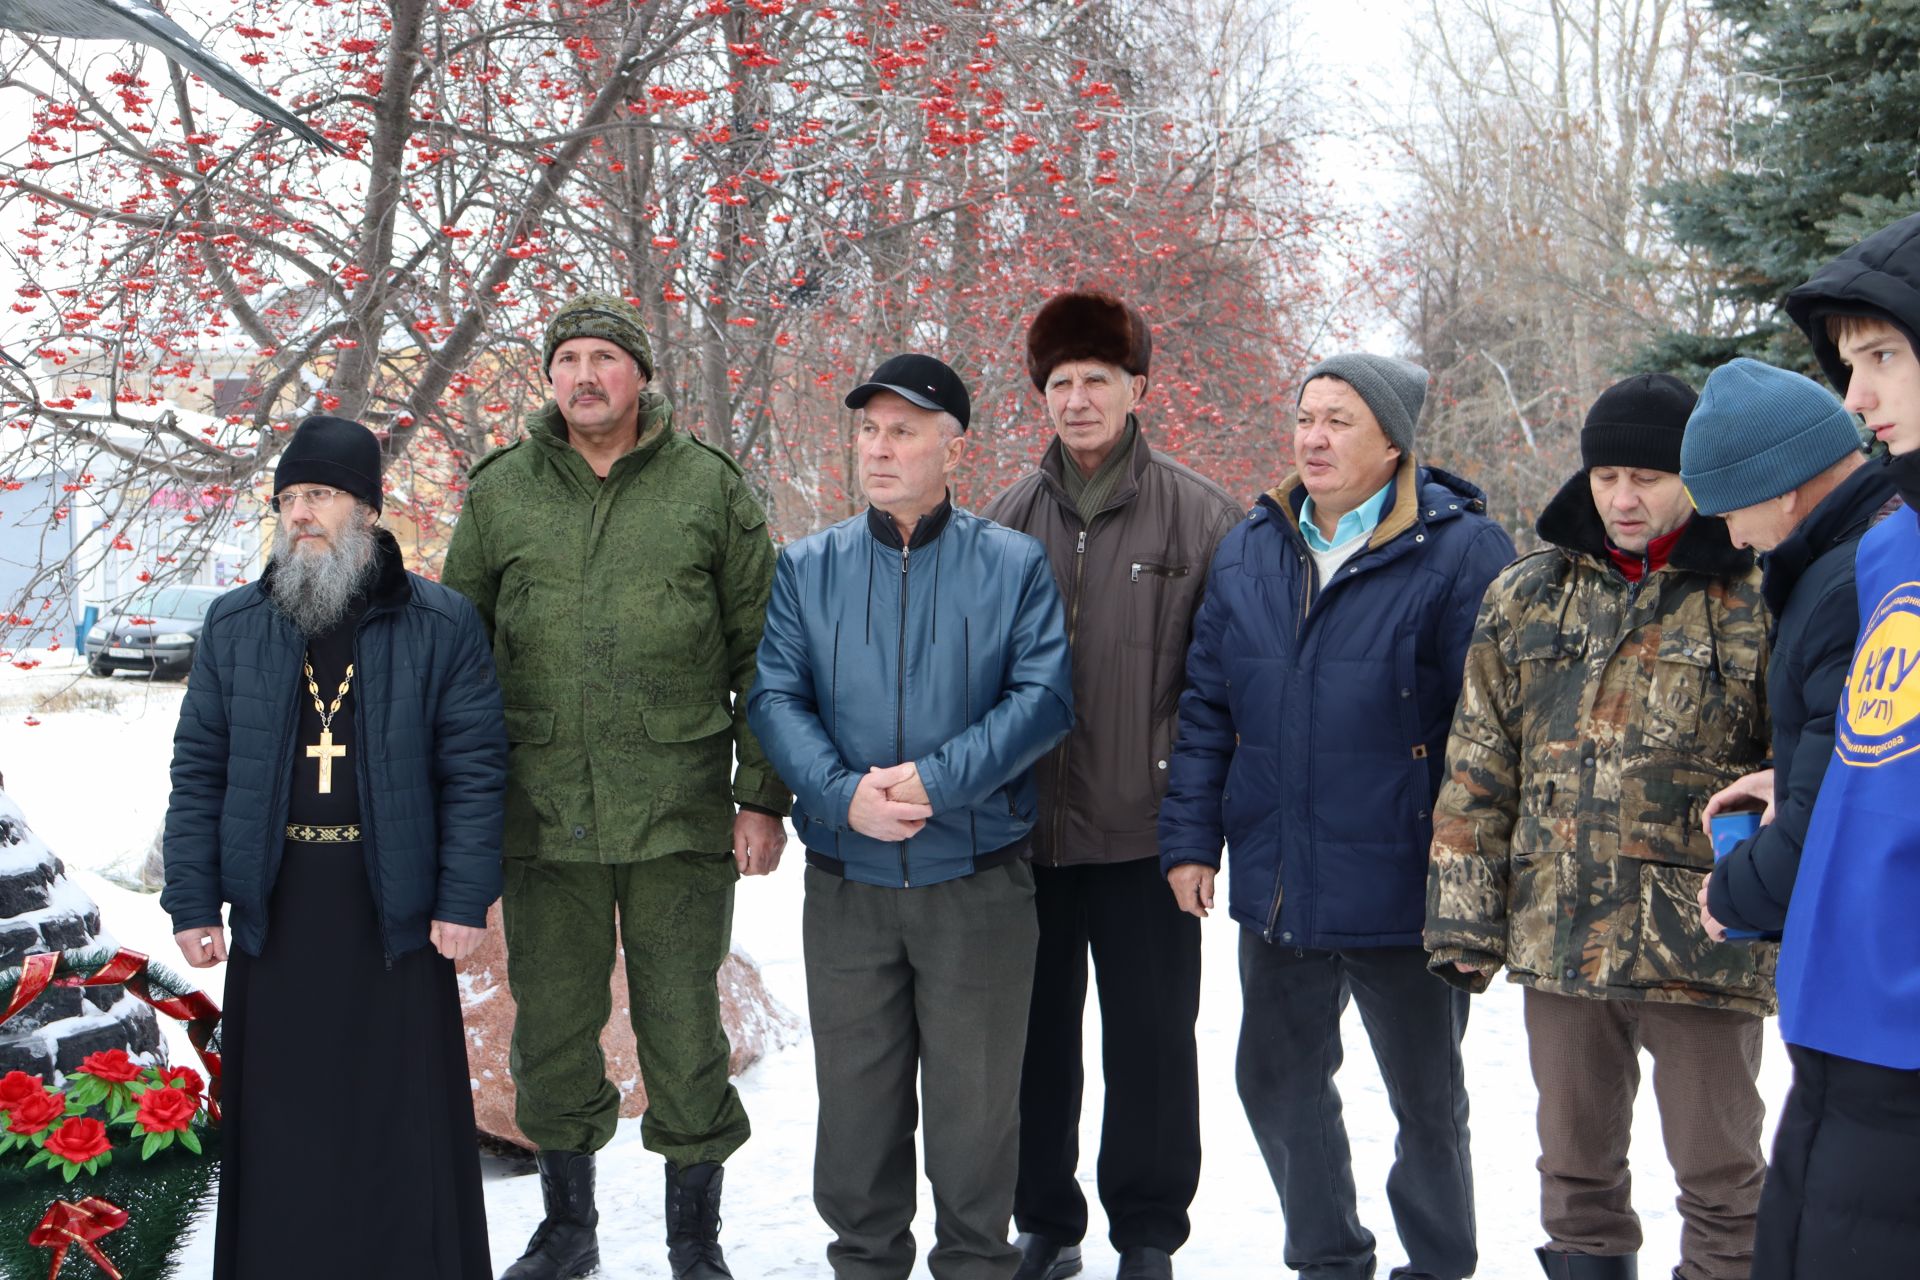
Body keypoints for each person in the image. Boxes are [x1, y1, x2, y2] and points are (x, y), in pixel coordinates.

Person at [440, 294, 791, 1280]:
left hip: (678, 812)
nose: (584, 375)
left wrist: (760, 795)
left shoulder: (706, 488)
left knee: (684, 1027)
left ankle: (695, 1239)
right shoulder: (502, 491)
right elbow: (454, 654)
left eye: (603, 357)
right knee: (551, 1028)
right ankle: (568, 1227)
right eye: (567, 360)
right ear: (550, 379)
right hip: (541, 816)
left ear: (639, 375)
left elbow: (764, 653)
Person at [1158, 353, 1512, 1280]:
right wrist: (1192, 838)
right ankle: (1328, 1259)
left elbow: (1493, 726)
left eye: (1339, 420)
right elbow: (1207, 706)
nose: (1313, 437)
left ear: (1393, 439)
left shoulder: (1463, 551)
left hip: (1406, 884)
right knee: (1274, 1083)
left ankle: (1439, 1264)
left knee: (1427, 1100)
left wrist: (1475, 875)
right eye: (1306, 417)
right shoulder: (1253, 546)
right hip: (1282, 878)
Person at [1425, 374, 1774, 1280]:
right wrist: (1465, 922)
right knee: (1575, 1177)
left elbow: (1797, 773)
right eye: (1607, 474)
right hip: (1561, 935)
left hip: (1704, 942)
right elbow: (1477, 766)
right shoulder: (1527, 596)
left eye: (1649, 477)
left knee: (1723, 1179)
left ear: (1693, 477)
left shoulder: (1752, 596)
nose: (1624, 498)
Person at [747, 353, 1073, 1280]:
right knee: (856, 1109)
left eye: (903, 431)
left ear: (949, 447)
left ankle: (975, 1263)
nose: (879, 449)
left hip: (975, 883)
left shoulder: (1011, 565)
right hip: (848, 886)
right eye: (869, 430)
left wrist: (936, 783)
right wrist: (840, 792)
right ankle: (865, 1263)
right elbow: (774, 697)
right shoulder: (808, 568)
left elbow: (1043, 697)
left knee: (977, 1111)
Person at [163, 414, 505, 1280]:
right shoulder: (238, 624)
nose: (299, 514)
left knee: (398, 1115)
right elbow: (199, 769)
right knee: (284, 1120)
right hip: (278, 911)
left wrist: (464, 897)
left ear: (368, 508)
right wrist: (195, 900)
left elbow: (474, 769)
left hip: (392, 911)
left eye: (318, 495)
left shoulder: (439, 622)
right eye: (287, 499)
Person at [981, 292, 1238, 1280]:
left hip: (1147, 835)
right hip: (1030, 834)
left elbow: (1218, 691)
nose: (1078, 399)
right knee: (1035, 1043)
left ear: (1139, 386)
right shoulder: (1003, 521)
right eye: (1060, 383)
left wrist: (1199, 829)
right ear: (1040, 395)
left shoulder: (1204, 517)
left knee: (1153, 1047)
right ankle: (1045, 1217)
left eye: (1098, 379)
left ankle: (1147, 1231)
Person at [1741, 212, 1920, 1279]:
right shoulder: (1893, 539)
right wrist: (1837, 780)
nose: (1855, 397)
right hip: (1835, 1017)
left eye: (1886, 355)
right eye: (1850, 363)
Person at [1679, 360, 1893, 941]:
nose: (1736, 539)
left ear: (1784, 484)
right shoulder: (1861, 550)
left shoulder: (1849, 585)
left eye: (1731, 513)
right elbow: (1864, 756)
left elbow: (1839, 817)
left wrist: (1733, 894)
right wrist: (1794, 778)